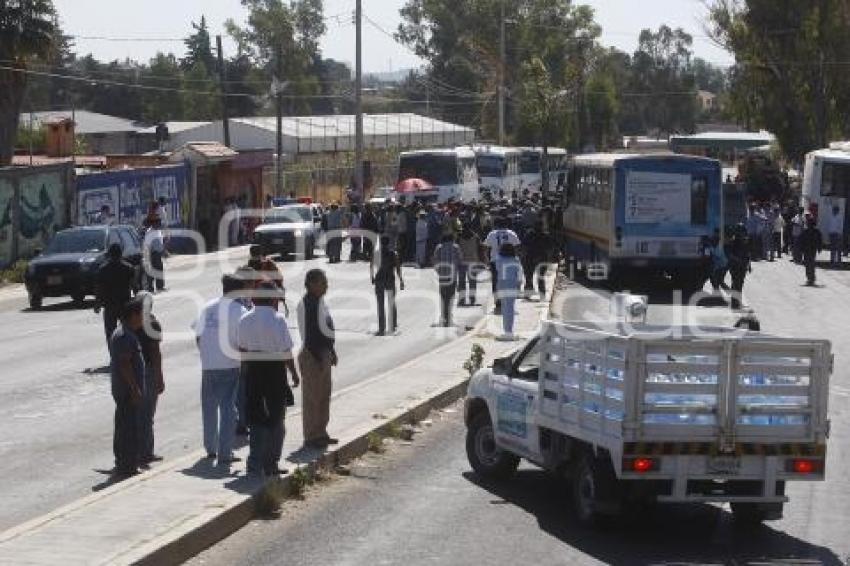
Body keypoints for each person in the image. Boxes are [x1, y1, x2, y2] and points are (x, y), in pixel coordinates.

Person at [238, 282, 300, 475]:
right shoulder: (278, 320)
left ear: (255, 298)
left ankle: (254, 464)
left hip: (254, 369)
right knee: (276, 419)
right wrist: (294, 373)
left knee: (256, 418)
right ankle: (271, 463)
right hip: (274, 370)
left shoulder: (245, 319)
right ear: (273, 298)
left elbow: (242, 348)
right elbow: (286, 351)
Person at [192, 274, 247, 466]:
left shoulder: (208, 307)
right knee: (228, 410)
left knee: (209, 408)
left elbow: (198, 336)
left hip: (208, 365)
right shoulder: (239, 310)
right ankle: (225, 453)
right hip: (229, 365)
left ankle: (211, 448)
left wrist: (207, 354)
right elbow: (243, 341)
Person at [297, 269, 339, 449]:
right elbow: (311, 334)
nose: (326, 286)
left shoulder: (320, 302)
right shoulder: (308, 304)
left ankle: (321, 432)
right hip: (313, 355)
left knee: (323, 396)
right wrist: (319, 356)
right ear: (312, 284)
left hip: (324, 353)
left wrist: (331, 351)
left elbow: (327, 329)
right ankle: (311, 436)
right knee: (312, 398)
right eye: (323, 282)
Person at [109, 297, 146, 479]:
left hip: (125, 391)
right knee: (127, 429)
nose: (143, 319)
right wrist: (134, 389)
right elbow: (125, 364)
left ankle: (126, 463)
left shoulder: (126, 333)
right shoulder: (124, 335)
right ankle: (126, 465)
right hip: (126, 392)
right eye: (141, 315)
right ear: (133, 315)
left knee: (126, 426)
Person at [135, 292, 164, 466]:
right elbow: (155, 352)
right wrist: (160, 377)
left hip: (135, 370)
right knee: (147, 415)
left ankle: (139, 450)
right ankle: (145, 452)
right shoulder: (153, 323)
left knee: (138, 413)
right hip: (149, 371)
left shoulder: (132, 322)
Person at [95, 243, 136, 347]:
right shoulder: (128, 268)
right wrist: (137, 302)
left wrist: (97, 303)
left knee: (110, 333)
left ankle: (114, 355)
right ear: (121, 254)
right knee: (128, 330)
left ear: (109, 254)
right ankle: (130, 352)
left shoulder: (103, 269)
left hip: (109, 306)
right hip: (125, 304)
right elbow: (135, 286)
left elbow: (100, 288)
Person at [483, 218, 521, 314]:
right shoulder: (511, 233)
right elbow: (517, 247)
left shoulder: (492, 234)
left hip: (495, 260)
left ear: (496, 225)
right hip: (509, 260)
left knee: (496, 281)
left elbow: (486, 248)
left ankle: (498, 301)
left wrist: (487, 259)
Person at [371, 235, 404, 335]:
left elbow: (371, 265)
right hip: (390, 279)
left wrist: (372, 277)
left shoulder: (377, 253)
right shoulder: (393, 253)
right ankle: (392, 325)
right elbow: (398, 267)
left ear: (380, 243)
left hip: (379, 279)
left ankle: (381, 328)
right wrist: (401, 280)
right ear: (388, 243)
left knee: (380, 304)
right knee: (392, 303)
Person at [433, 233, 462, 327]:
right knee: (451, 296)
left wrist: (439, 272)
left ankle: (444, 316)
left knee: (443, 296)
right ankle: (449, 317)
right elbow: (460, 260)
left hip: (442, 276)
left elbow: (435, 261)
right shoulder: (456, 247)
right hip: (452, 275)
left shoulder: (439, 248)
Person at [495, 243, 523, 340]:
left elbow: (497, 268)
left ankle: (507, 331)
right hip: (512, 284)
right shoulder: (516, 260)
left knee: (504, 308)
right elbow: (519, 274)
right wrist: (519, 285)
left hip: (502, 284)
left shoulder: (499, 259)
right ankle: (509, 331)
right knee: (510, 308)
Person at [726, 227, 751, 310]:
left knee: (739, 283)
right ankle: (734, 302)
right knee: (736, 283)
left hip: (742, 266)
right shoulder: (733, 242)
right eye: (741, 232)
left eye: (743, 232)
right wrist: (737, 259)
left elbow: (748, 254)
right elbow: (730, 254)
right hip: (735, 266)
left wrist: (749, 265)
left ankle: (737, 301)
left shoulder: (745, 242)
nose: (742, 234)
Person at [457, 225, 482, 306]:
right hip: (473, 261)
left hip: (462, 262)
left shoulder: (459, 237)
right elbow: (480, 249)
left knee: (461, 282)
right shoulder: (476, 237)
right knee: (472, 281)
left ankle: (462, 299)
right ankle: (472, 299)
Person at [143, 219, 166, 292]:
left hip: (158, 254)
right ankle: (150, 287)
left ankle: (160, 286)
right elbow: (147, 244)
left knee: (159, 270)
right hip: (152, 253)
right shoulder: (149, 232)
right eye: (158, 223)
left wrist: (163, 250)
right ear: (154, 224)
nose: (159, 225)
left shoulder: (158, 231)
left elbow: (160, 242)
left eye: (160, 224)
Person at [800, 216, 824, 286]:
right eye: (808, 223)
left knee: (810, 264)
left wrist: (819, 248)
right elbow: (801, 241)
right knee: (808, 264)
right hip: (807, 250)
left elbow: (820, 241)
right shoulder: (805, 232)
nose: (809, 225)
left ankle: (811, 278)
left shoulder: (816, 232)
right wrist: (801, 249)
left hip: (812, 250)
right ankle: (810, 278)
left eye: (810, 223)